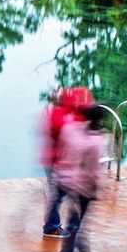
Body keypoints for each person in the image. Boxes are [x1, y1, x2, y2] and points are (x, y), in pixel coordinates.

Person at [53, 103, 110, 252]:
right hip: (82, 188)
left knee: (75, 226)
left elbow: (63, 152)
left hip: (65, 181)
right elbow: (92, 171)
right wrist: (96, 190)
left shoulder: (71, 129)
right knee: (76, 227)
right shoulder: (96, 141)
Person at [41, 87, 94, 237]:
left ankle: (54, 225)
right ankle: (51, 227)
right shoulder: (66, 117)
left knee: (58, 194)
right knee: (58, 195)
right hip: (58, 162)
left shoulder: (58, 113)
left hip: (55, 160)